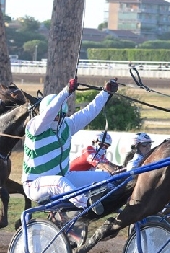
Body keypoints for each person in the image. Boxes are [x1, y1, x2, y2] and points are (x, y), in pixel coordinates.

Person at [22, 77, 119, 212]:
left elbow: (90, 112)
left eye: (59, 115)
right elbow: (48, 114)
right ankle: (88, 205)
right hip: (35, 184)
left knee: (107, 178)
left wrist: (106, 93)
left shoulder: (68, 125)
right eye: (54, 114)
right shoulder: (35, 127)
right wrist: (66, 91)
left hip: (65, 177)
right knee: (60, 182)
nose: (55, 118)